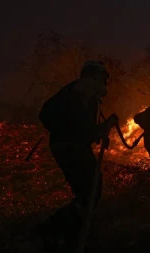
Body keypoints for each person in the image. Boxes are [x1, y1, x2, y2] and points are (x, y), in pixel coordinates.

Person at [34, 61, 118, 252]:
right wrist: (107, 125)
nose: (105, 84)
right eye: (104, 79)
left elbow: (83, 126)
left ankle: (66, 235)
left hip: (64, 145)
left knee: (87, 193)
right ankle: (51, 230)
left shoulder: (73, 90)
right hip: (73, 147)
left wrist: (99, 132)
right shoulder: (85, 88)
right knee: (91, 193)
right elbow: (87, 130)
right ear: (96, 76)